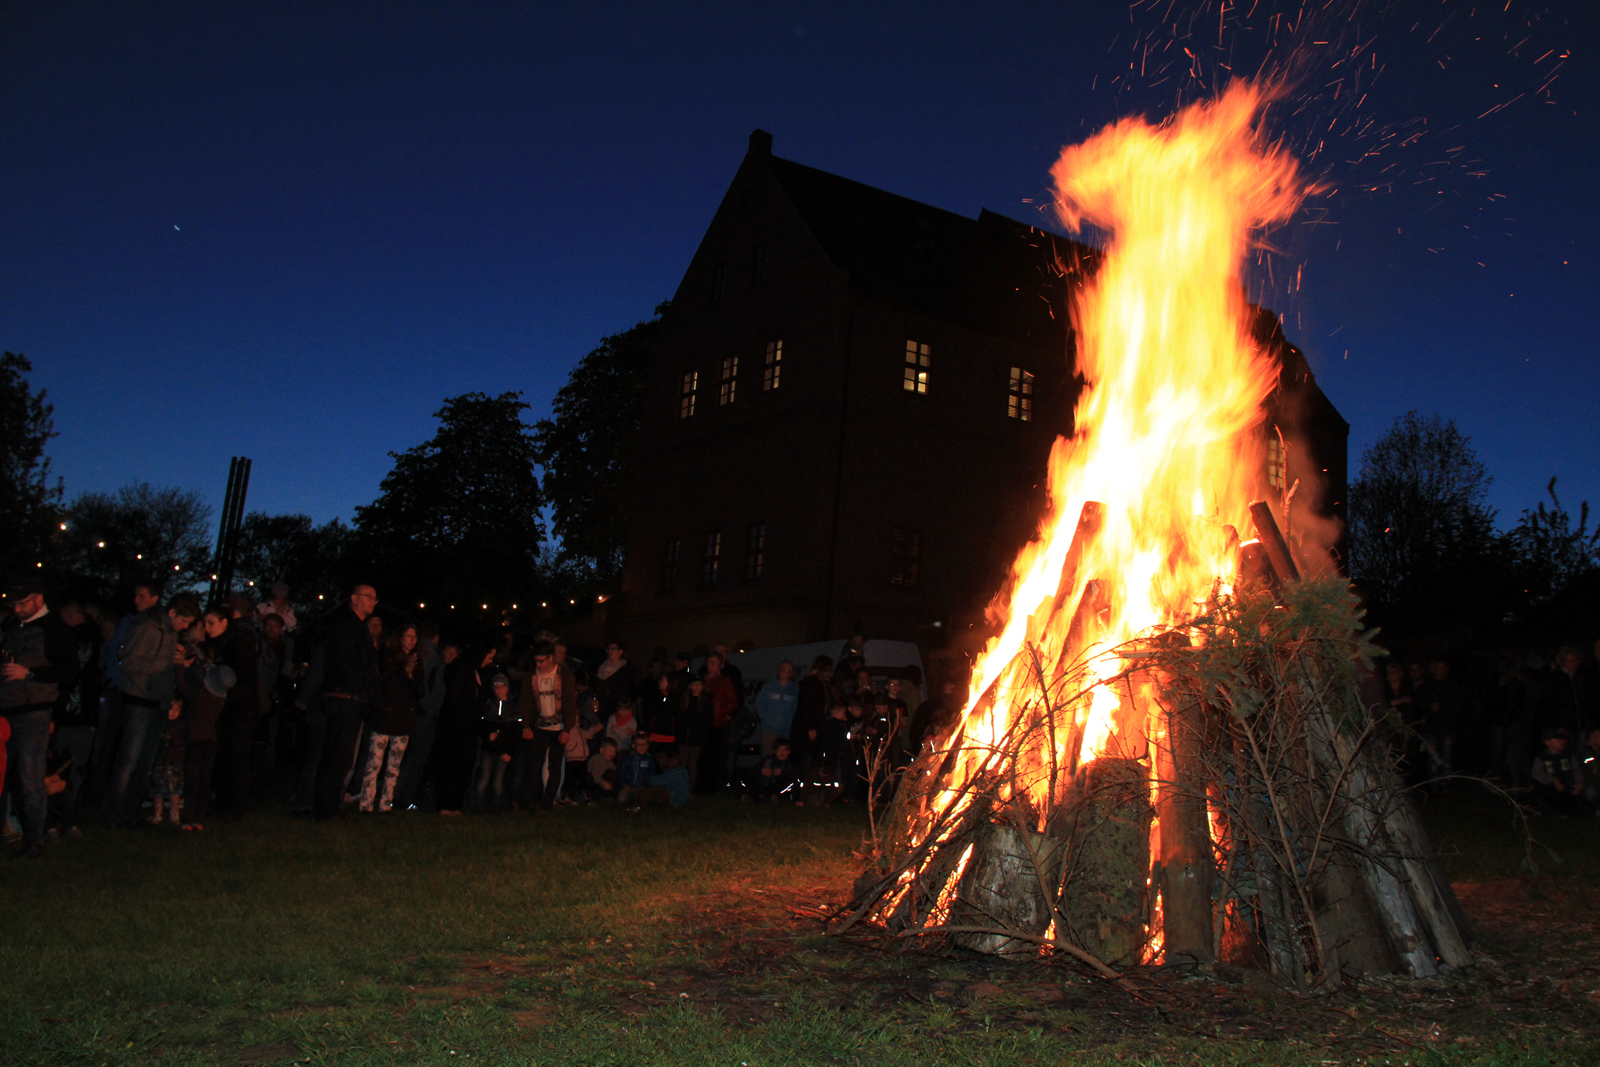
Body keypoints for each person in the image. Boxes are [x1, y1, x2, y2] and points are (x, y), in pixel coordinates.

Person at [105, 586, 198, 829]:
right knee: (129, 761)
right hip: (139, 701)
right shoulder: (147, 627)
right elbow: (131, 662)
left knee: (145, 763)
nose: (186, 627)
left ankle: (132, 814)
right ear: (172, 612)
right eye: (184, 621)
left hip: (158, 702)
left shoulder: (169, 631)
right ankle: (115, 815)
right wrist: (168, 661)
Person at [2, 576, 82, 857]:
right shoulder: (12, 625)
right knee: (1, 778)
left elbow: (69, 672)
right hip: (5, 712)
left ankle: (35, 839)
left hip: (33, 713)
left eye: (22, 603)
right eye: (13, 603)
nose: (17, 608)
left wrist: (29, 673)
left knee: (29, 777)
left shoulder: (56, 629)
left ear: (38, 599)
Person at [313, 585, 382, 820]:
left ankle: (327, 806)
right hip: (345, 698)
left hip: (346, 696)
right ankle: (326, 808)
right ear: (354, 599)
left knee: (338, 755)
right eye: (370, 597)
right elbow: (349, 664)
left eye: (375, 598)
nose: (374, 602)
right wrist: (362, 690)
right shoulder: (348, 627)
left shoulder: (353, 627)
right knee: (338, 755)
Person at [210, 596, 263, 821]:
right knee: (227, 757)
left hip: (239, 708)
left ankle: (232, 808)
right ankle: (225, 804)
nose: (207, 628)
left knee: (235, 757)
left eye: (212, 622)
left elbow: (240, 678)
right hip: (234, 707)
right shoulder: (230, 640)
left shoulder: (239, 639)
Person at [175, 624, 231, 831]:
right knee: (204, 782)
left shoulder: (199, 696)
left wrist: (179, 665)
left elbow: (182, 686)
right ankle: (199, 819)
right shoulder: (219, 701)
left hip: (195, 740)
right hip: (211, 742)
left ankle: (186, 821)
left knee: (191, 781)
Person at [359, 628, 422, 813]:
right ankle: (366, 803)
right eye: (408, 635)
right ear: (400, 637)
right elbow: (384, 682)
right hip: (385, 717)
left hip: (403, 720)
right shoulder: (388, 658)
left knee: (394, 766)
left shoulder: (417, 661)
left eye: (414, 636)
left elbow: (419, 690)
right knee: (374, 763)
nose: (411, 640)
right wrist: (404, 671)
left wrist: (411, 675)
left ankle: (386, 803)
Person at [394, 621, 446, 811]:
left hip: (417, 712)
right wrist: (429, 711)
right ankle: (402, 796)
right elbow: (429, 687)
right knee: (416, 758)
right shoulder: (429, 656)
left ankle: (399, 795)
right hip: (422, 714)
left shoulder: (420, 655)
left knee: (408, 757)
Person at [518, 640, 575, 812]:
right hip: (539, 726)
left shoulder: (564, 675)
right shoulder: (531, 676)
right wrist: (526, 726)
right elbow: (525, 702)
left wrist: (567, 729)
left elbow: (570, 703)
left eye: (542, 660)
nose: (539, 664)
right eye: (536, 660)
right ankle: (526, 804)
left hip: (558, 727)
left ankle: (547, 803)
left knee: (555, 766)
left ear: (550, 658)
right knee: (533, 764)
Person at [433, 643, 484, 816]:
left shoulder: (470, 670)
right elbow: (456, 700)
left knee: (461, 767)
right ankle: (447, 804)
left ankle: (454, 804)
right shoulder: (458, 671)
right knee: (452, 766)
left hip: (465, 728)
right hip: (456, 728)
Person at [1413, 658, 1467, 791]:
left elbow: (1459, 706)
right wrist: (1429, 708)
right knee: (1433, 758)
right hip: (1430, 728)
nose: (1440, 671)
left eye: (1443, 668)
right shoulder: (1426, 686)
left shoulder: (1454, 687)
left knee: (1446, 758)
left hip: (1447, 728)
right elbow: (1418, 705)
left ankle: (1446, 786)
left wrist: (1447, 712)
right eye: (1438, 667)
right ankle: (1434, 787)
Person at [474, 674, 520, 812]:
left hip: (504, 751)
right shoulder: (488, 706)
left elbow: (515, 734)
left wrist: (509, 751)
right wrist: (488, 734)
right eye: (496, 686)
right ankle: (478, 808)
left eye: (502, 685)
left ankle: (496, 808)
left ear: (507, 688)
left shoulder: (513, 709)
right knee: (483, 779)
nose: (499, 689)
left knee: (498, 781)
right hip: (488, 749)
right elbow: (481, 726)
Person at [700, 652, 740, 791]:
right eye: (709, 662)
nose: (711, 665)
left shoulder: (724, 681)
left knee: (716, 755)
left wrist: (722, 713)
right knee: (703, 755)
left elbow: (733, 701)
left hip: (717, 724)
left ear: (720, 664)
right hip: (703, 724)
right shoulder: (702, 681)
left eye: (714, 662)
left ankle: (714, 785)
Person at [789, 655, 834, 778]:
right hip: (807, 729)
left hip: (815, 726)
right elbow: (808, 706)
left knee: (812, 759)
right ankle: (801, 789)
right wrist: (811, 727)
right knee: (806, 759)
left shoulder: (821, 684)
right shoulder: (811, 683)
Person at [148, 692, 185, 826]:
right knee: (158, 789)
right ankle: (157, 814)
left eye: (177, 709)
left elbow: (182, 741)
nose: (173, 712)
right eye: (171, 708)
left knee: (174, 790)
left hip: (175, 762)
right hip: (161, 761)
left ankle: (174, 815)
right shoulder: (160, 723)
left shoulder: (181, 724)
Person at [1531, 727, 1584, 816]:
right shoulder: (1542, 757)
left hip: (1566, 787)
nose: (1563, 741)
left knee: (1573, 807)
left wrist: (1579, 783)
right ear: (1548, 742)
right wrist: (1553, 780)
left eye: (1564, 738)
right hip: (1549, 788)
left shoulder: (1568, 756)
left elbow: (1576, 771)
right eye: (1559, 739)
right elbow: (1536, 774)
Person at [753, 660, 799, 756]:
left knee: (782, 759)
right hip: (769, 730)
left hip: (786, 731)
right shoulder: (769, 687)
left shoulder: (795, 690)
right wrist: (765, 718)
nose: (782, 671)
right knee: (767, 758)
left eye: (786, 669)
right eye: (781, 668)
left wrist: (791, 722)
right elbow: (759, 703)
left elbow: (797, 709)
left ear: (791, 673)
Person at [593, 641, 638, 722]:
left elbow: (626, 692)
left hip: (615, 711)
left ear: (621, 652)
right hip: (599, 710)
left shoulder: (626, 671)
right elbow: (596, 686)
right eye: (608, 649)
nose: (610, 651)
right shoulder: (601, 668)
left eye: (613, 649)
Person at [616, 731, 657, 805]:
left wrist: (647, 785)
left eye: (644, 744)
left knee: (647, 798)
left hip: (642, 787)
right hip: (629, 786)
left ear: (647, 745)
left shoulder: (649, 759)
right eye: (639, 745)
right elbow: (622, 773)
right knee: (621, 800)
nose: (642, 747)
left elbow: (652, 774)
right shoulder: (628, 759)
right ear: (633, 746)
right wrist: (624, 784)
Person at [588, 736, 619, 801]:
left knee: (612, 773)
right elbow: (594, 775)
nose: (613, 754)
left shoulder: (611, 763)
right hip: (594, 783)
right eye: (610, 751)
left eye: (614, 752)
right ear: (602, 750)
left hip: (602, 784)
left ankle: (607, 795)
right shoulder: (597, 758)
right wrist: (603, 782)